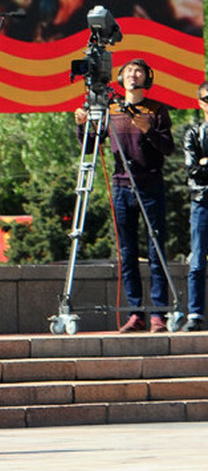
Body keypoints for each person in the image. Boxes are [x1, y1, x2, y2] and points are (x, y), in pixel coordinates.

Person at [74, 58, 174, 332]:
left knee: (156, 250)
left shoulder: (156, 110)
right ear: (120, 78)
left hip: (151, 185)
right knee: (127, 253)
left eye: (138, 71)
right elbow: (91, 144)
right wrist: (83, 125)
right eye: (128, 70)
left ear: (146, 78)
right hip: (121, 186)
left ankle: (158, 314)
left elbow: (168, 148)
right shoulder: (111, 108)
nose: (133, 75)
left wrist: (148, 129)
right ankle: (135, 312)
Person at [181, 79, 208, 332]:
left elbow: (201, 165)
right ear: (200, 103)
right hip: (202, 200)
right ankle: (195, 313)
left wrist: (204, 161)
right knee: (198, 260)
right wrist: (201, 163)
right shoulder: (193, 132)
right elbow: (193, 168)